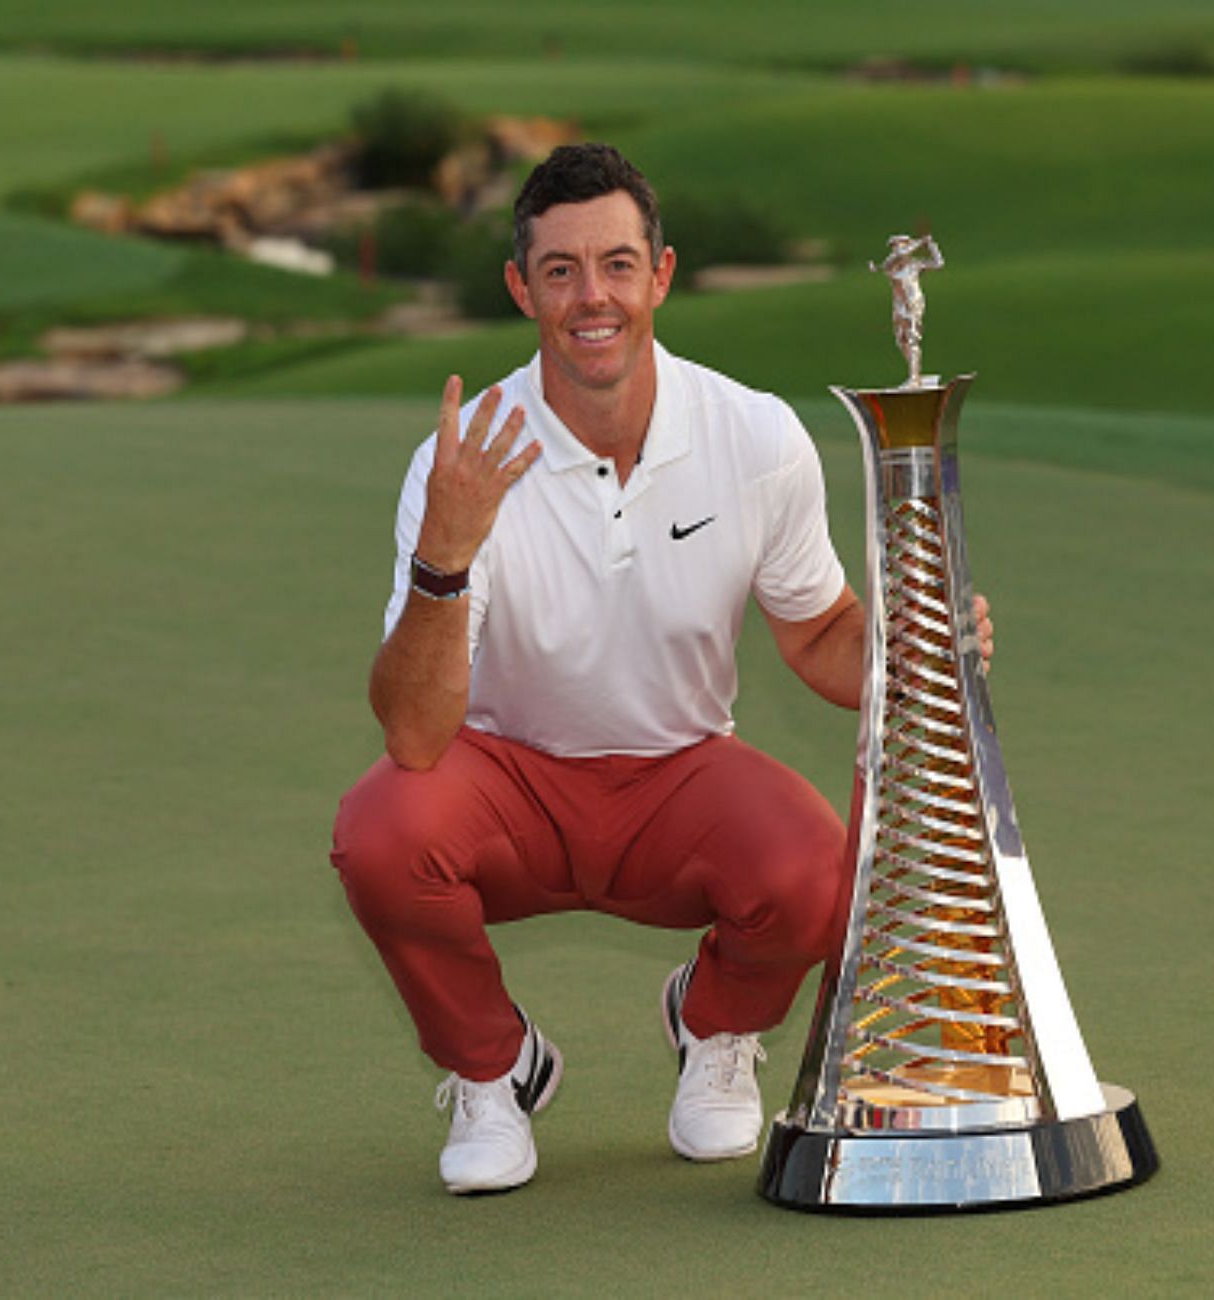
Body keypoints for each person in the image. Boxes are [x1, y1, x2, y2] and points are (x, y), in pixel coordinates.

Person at [330, 143, 989, 1195]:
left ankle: (714, 1023)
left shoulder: (754, 434)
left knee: (816, 874)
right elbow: (415, 735)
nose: (593, 297)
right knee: (380, 836)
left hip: (680, 772)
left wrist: (918, 644)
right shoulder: (459, 457)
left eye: (618, 265)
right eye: (560, 270)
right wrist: (443, 559)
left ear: (661, 275)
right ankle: (494, 1068)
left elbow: (820, 633)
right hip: (508, 778)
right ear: (521, 288)